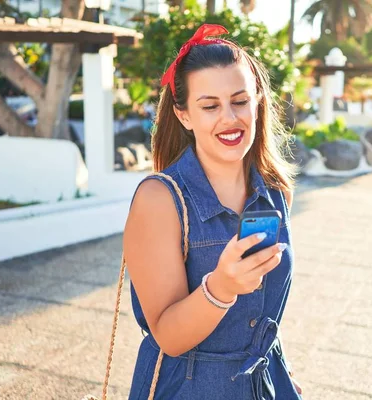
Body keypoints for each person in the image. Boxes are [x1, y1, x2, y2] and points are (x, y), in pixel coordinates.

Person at [123, 24, 303, 400]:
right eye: (210, 106)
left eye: (240, 101)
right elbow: (168, 337)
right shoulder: (159, 200)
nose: (229, 118)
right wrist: (221, 288)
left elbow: (264, 309)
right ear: (185, 115)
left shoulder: (275, 191)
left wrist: (276, 368)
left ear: (257, 103)